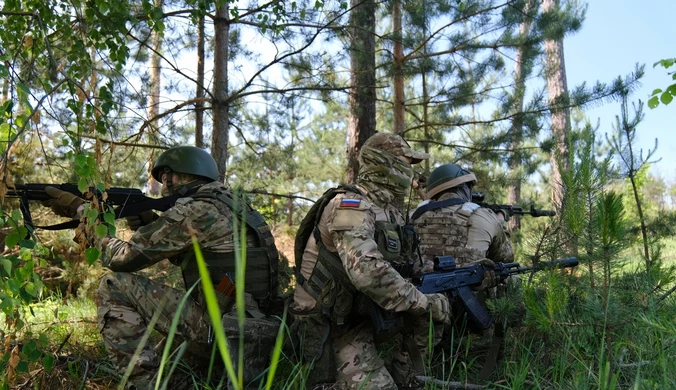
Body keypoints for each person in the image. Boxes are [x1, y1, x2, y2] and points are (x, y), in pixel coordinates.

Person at [41, 146, 280, 389]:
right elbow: (196, 256)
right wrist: (152, 222)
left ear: (174, 176)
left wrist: (85, 214)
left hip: (221, 327)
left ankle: (146, 385)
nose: (163, 186)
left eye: (165, 178)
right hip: (251, 325)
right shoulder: (232, 204)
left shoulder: (195, 210)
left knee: (114, 285)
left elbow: (123, 258)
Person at [290, 132, 452, 390]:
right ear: (384, 163)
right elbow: (366, 271)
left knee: (433, 311)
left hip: (361, 309)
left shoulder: (390, 213)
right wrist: (422, 302)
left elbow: (407, 265)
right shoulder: (350, 205)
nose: (411, 173)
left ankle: (409, 379)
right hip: (328, 321)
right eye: (405, 163)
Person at [410, 163, 515, 378]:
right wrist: (499, 223)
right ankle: (492, 350)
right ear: (463, 188)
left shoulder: (411, 216)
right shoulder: (483, 216)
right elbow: (505, 257)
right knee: (507, 276)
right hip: (467, 315)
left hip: (417, 310)